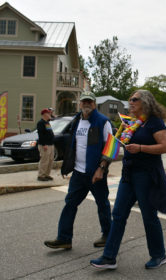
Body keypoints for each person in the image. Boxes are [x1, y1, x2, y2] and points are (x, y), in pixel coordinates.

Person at [90, 90, 166, 270]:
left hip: (146, 175)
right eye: (129, 100)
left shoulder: (154, 122)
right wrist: (102, 168)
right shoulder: (130, 122)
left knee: (149, 217)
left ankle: (159, 255)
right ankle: (109, 257)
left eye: (134, 99)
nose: (130, 102)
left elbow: (165, 147)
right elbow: (114, 144)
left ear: (146, 102)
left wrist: (141, 147)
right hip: (129, 175)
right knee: (118, 214)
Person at [44, 91, 113, 250]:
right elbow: (73, 145)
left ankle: (108, 235)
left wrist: (101, 169)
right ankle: (64, 238)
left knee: (102, 204)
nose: (86, 104)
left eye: (89, 102)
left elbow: (111, 148)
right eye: (84, 102)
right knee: (70, 204)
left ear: (94, 104)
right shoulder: (77, 120)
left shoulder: (102, 122)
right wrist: (67, 166)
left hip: (95, 173)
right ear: (80, 104)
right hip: (78, 173)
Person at [37, 108, 54, 181]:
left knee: (50, 160)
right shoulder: (41, 123)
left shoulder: (47, 122)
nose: (50, 114)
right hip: (45, 145)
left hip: (51, 144)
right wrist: (44, 144)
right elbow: (41, 135)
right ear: (44, 114)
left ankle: (47, 174)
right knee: (44, 160)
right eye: (48, 113)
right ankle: (41, 175)